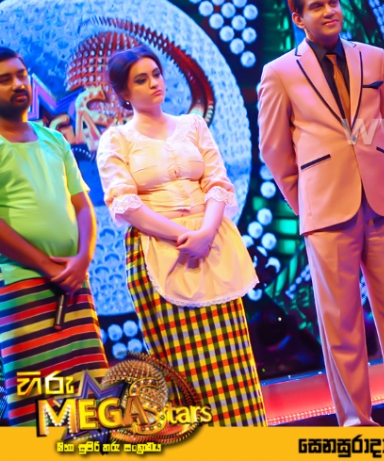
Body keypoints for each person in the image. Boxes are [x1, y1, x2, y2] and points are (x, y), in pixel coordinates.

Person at [257, 0, 384, 427]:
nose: (329, 10)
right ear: (298, 17)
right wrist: (308, 202)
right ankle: (356, 424)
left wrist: (375, 172)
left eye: (332, 2)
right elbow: (275, 151)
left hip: (380, 202)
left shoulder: (373, 58)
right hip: (325, 210)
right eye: (316, 6)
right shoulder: (279, 73)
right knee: (341, 324)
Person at [96, 45, 266, 426]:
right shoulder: (117, 140)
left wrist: (205, 232)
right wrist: (183, 236)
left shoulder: (193, 125)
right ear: (123, 93)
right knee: (185, 365)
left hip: (212, 244)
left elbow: (218, 182)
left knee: (232, 356)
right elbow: (124, 204)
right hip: (160, 249)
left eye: (156, 74)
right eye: (141, 80)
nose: (154, 83)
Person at [0, 47, 107, 426]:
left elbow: (83, 207)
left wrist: (82, 260)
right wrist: (48, 267)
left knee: (91, 399)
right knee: (38, 401)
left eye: (21, 75)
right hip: (22, 286)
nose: (18, 84)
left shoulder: (53, 139)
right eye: (4, 79)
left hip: (74, 286)